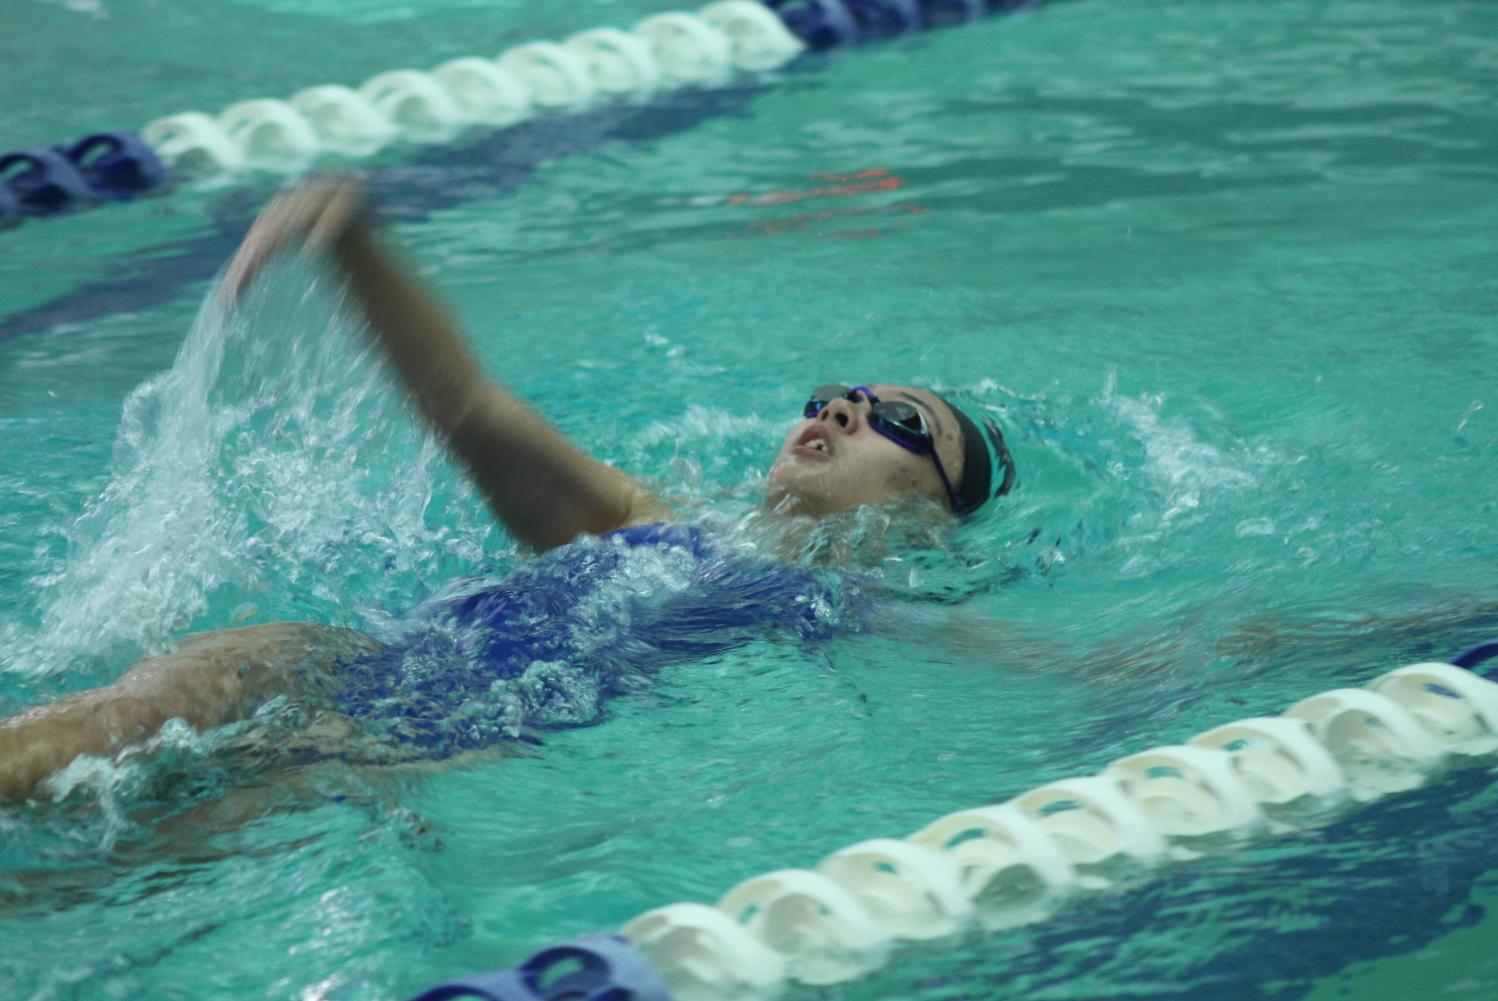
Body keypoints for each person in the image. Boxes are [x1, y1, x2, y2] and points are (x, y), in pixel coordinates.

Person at [0, 176, 1015, 803]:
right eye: (840, 394)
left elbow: (1050, 674)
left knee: (97, 875)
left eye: (902, 421)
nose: (844, 410)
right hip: (335, 663)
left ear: (930, 514)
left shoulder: (865, 610)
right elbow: (471, 410)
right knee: (128, 716)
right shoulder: (648, 515)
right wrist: (353, 238)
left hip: (422, 758)